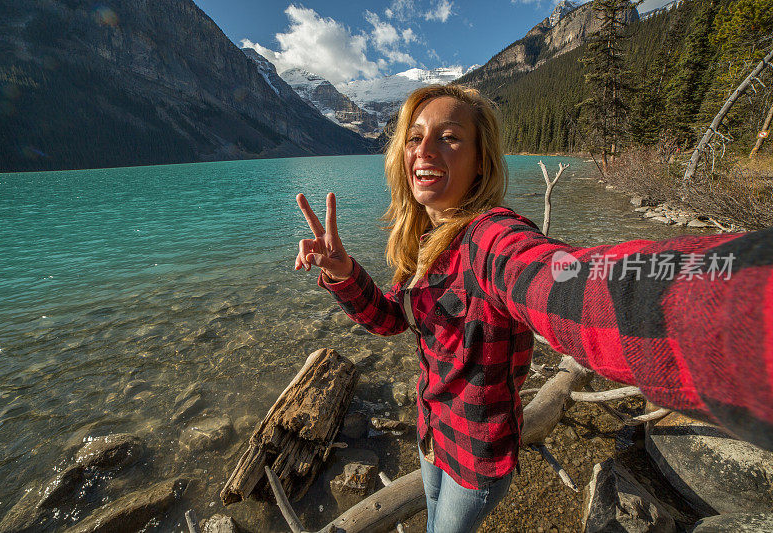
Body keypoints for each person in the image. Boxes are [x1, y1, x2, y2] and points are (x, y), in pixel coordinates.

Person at [294, 84, 773, 533]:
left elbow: (561, 281)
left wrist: (735, 304)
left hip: (478, 453)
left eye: (449, 137)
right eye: (415, 137)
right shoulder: (420, 242)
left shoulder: (490, 237)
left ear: (481, 163)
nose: (425, 149)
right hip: (431, 431)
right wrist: (343, 274)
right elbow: (392, 320)